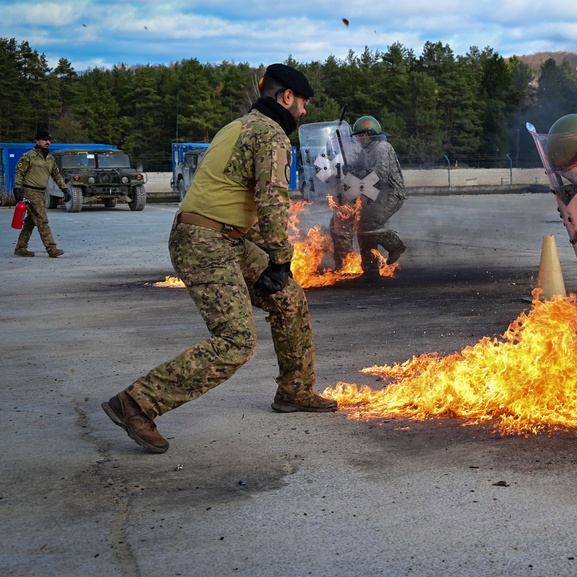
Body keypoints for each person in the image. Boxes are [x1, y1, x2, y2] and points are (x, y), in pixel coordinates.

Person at [102, 63, 335, 455]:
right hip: (206, 241)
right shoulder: (271, 135)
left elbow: (238, 201)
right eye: (304, 104)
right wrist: (279, 259)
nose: (305, 113)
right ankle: (136, 403)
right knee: (236, 340)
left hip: (222, 236)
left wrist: (275, 266)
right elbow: (272, 200)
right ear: (287, 97)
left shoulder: (237, 127)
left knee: (289, 299)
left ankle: (295, 392)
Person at [329, 115, 407, 280]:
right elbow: (358, 167)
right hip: (374, 191)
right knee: (363, 223)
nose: (356, 139)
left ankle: (395, 246)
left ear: (366, 134)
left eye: (358, 136)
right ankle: (370, 269)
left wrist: (359, 174)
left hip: (391, 191)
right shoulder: (367, 150)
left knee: (372, 223)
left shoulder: (382, 147)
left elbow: (380, 174)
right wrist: (347, 166)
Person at [13, 131, 69, 258]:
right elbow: (19, 173)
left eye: (49, 140)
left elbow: (56, 174)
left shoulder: (50, 158)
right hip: (30, 192)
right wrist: (17, 189)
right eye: (44, 140)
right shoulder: (28, 156)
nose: (47, 142)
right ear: (36, 141)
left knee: (31, 221)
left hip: (41, 193)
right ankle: (51, 249)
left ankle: (20, 248)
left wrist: (65, 189)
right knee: (42, 220)